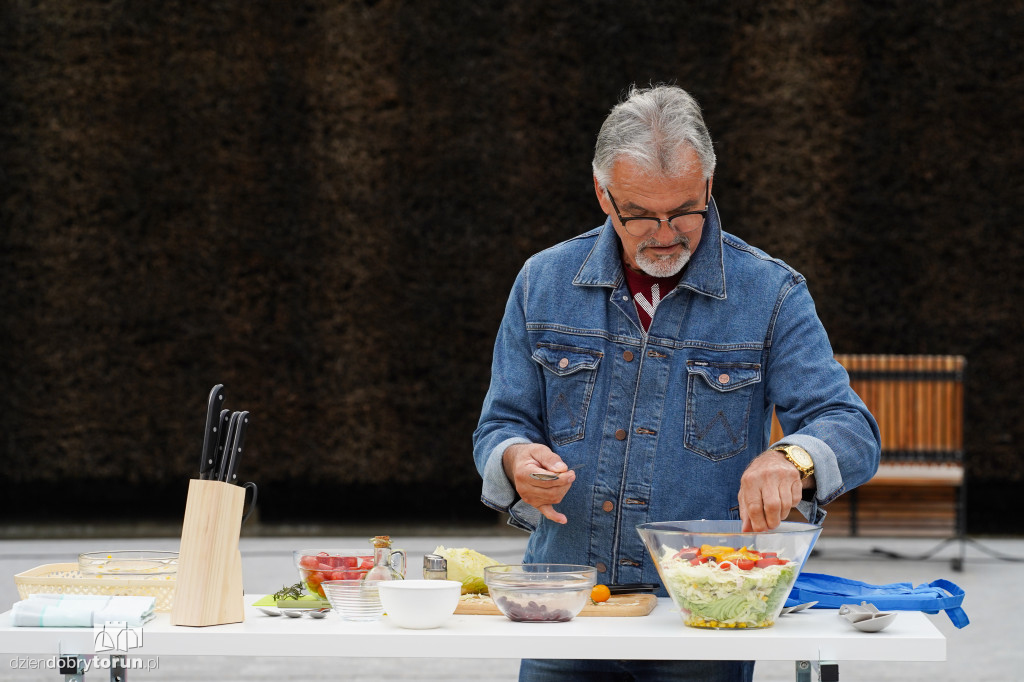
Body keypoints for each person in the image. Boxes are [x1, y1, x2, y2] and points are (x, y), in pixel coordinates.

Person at [472, 84, 881, 681]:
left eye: (685, 209)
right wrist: (513, 459)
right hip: (563, 606)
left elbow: (850, 427)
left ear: (710, 186)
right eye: (639, 214)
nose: (665, 233)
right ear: (603, 195)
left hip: (704, 617)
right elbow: (500, 423)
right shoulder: (542, 282)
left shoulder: (772, 293)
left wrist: (793, 458)